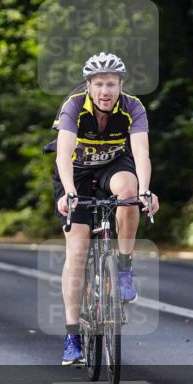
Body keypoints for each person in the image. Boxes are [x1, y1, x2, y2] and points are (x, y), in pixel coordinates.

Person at [48, 52, 159, 366]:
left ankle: (123, 266)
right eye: (98, 84)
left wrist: (146, 189)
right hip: (77, 173)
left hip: (113, 165)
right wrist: (69, 192)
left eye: (111, 84)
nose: (105, 91)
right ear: (89, 86)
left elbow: (141, 154)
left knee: (129, 191)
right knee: (77, 252)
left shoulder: (133, 107)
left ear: (120, 85)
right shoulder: (73, 107)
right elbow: (62, 155)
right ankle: (72, 336)